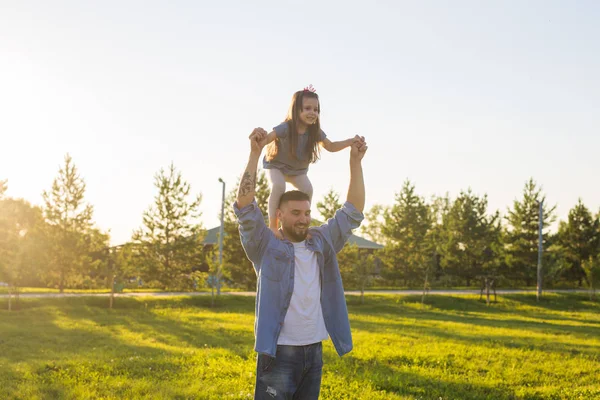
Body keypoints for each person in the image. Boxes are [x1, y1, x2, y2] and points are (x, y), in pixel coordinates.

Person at [234, 127, 368, 399]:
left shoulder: (322, 241)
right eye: (295, 213)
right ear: (279, 215)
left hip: (313, 351)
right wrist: (254, 154)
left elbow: (352, 211)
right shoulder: (266, 245)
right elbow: (245, 208)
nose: (304, 219)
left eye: (307, 213)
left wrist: (355, 162)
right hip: (279, 352)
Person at [258, 85, 362, 239]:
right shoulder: (286, 127)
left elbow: (331, 147)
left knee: (308, 189)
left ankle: (302, 226)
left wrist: (351, 141)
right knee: (279, 186)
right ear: (297, 110)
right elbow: (268, 139)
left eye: (316, 110)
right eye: (307, 108)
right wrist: (261, 136)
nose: (312, 113)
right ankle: (273, 226)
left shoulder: (315, 132)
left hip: (297, 171)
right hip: (277, 166)